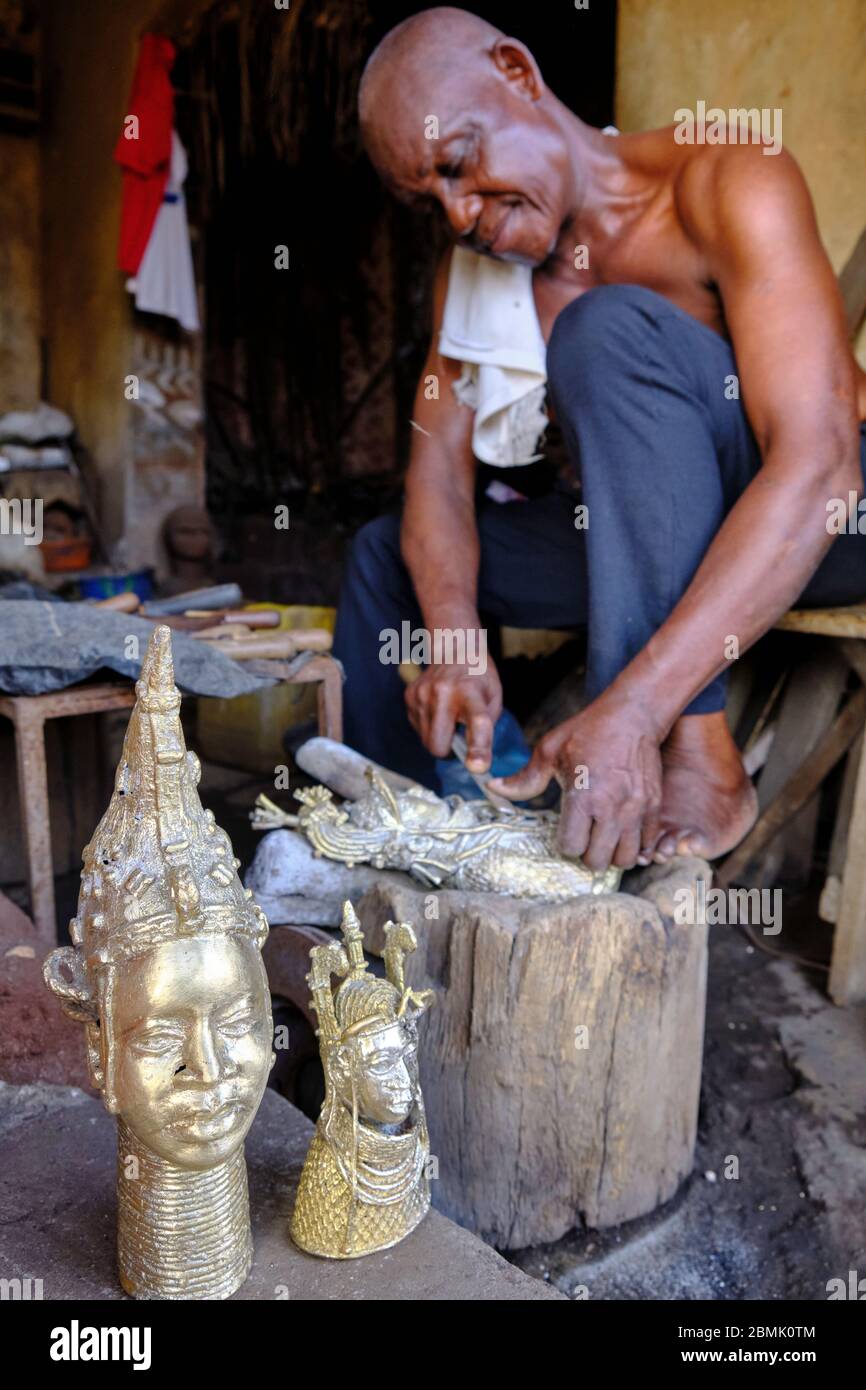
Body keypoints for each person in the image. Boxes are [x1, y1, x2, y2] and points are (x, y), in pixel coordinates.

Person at [333, 6, 866, 872]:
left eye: (460, 163)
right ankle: (407, 843)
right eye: (428, 199)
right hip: (632, 538)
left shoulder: (726, 177)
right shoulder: (471, 276)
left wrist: (640, 709)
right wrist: (457, 636)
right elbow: (435, 477)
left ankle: (697, 749)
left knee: (604, 329)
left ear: (517, 71)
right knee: (387, 553)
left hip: (828, 520)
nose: (459, 212)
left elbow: (822, 466)